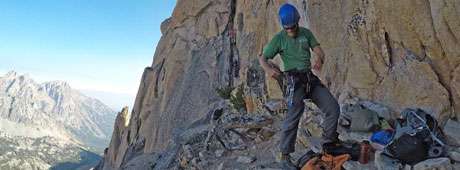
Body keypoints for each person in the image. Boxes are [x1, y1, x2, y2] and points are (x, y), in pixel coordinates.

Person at [258, 3, 341, 169]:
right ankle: (285, 154)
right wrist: (269, 70)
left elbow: (319, 51)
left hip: (309, 78)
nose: (290, 31)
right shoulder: (279, 39)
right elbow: (262, 57)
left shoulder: (306, 34)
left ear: (297, 22)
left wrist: (319, 60)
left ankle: (328, 144)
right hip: (292, 81)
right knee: (295, 112)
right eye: (287, 28)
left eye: (293, 27)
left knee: (333, 108)